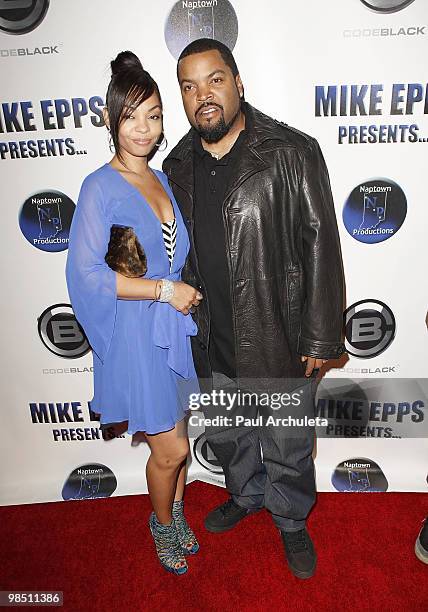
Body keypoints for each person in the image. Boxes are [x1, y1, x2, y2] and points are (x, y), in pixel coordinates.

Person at [163, 38, 346, 579]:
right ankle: (245, 496)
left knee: (288, 443)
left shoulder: (291, 151)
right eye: (189, 87)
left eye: (214, 80)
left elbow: (321, 246)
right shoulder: (175, 165)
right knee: (229, 434)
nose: (204, 96)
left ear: (239, 83)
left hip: (278, 334)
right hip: (210, 335)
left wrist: (319, 337)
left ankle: (291, 520)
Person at [66, 51, 203, 576]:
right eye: (131, 117)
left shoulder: (163, 179)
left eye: (154, 115)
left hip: (171, 333)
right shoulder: (98, 187)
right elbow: (87, 276)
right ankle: (161, 525)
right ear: (110, 120)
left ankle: (175, 513)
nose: (145, 129)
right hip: (138, 335)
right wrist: (164, 291)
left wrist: (174, 296)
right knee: (170, 451)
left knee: (179, 448)